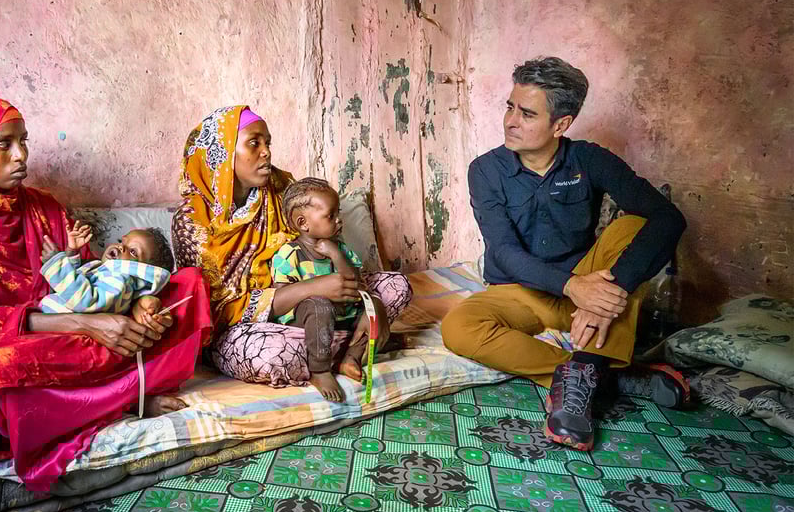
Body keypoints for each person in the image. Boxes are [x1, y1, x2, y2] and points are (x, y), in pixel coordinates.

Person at [0, 96, 212, 492]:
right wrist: (87, 324)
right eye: (3, 145)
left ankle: (110, 399)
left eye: (23, 141)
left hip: (71, 338)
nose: (21, 156)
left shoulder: (42, 207)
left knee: (189, 285)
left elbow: (92, 279)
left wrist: (144, 302)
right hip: (1, 345)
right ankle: (124, 399)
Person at [441, 57, 688, 451]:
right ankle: (600, 373)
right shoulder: (486, 170)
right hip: (521, 291)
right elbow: (503, 252)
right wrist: (574, 287)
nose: (510, 121)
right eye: (509, 107)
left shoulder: (588, 159)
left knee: (633, 227)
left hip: (590, 288)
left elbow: (668, 218)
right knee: (458, 328)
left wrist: (607, 293)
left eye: (526, 113)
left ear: (561, 124)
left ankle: (583, 378)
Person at [171, 105, 412, 392]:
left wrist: (372, 303)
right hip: (245, 330)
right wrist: (315, 289)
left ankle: (342, 343)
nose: (266, 152)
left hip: (316, 310)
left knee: (396, 286)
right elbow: (213, 311)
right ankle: (357, 344)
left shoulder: (283, 189)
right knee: (270, 355)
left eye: (267, 142)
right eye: (254, 143)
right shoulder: (192, 221)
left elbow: (327, 246)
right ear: (222, 154)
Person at [271, 177, 390, 402]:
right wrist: (316, 291)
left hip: (343, 315)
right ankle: (320, 370)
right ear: (303, 223)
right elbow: (281, 301)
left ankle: (351, 358)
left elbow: (355, 282)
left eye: (339, 214)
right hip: (309, 320)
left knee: (375, 304)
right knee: (319, 304)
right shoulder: (289, 254)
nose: (339, 221)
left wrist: (335, 253)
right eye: (330, 215)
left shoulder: (341, 248)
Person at [39, 223, 177, 332]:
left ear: (142, 271)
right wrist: (71, 252)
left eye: (133, 251)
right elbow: (70, 286)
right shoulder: (101, 268)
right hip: (48, 321)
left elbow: (85, 301)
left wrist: (57, 264)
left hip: (59, 330)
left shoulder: (120, 280)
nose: (121, 247)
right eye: (121, 242)